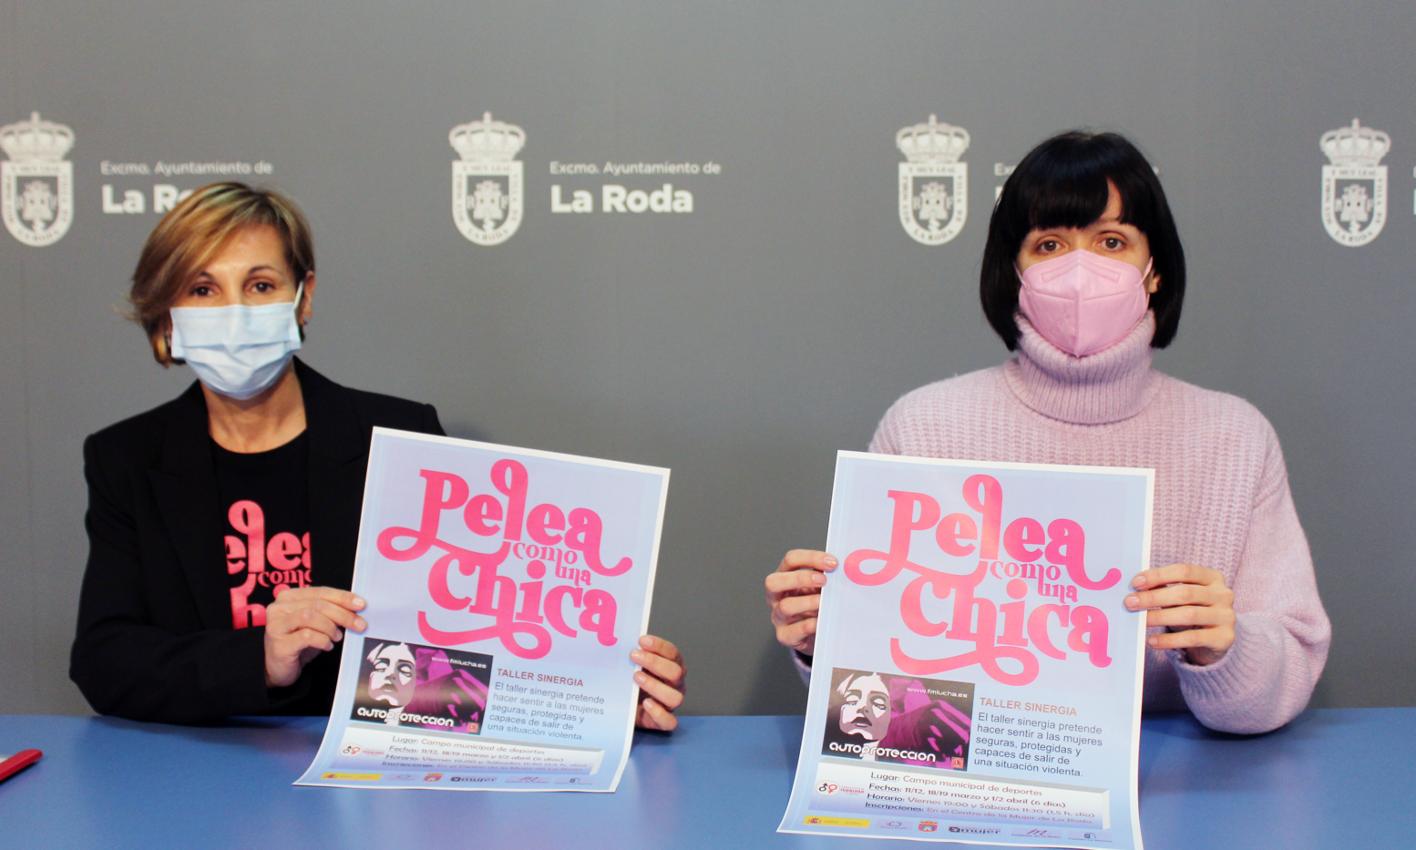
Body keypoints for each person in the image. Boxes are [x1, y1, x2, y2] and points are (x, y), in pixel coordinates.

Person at [766, 132, 1330, 735]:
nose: (1079, 270)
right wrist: (823, 637)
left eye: (1111, 241)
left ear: (1155, 270)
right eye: (1050, 244)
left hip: (1184, 784)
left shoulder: (1235, 438)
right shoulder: (923, 427)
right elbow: (871, 699)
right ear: (1015, 271)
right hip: (969, 771)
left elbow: (1282, 670)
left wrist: (1225, 652)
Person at [70, 182, 686, 730]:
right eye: (202, 289)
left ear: (302, 297)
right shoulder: (126, 458)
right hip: (197, 779)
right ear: (168, 316)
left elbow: (468, 646)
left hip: (372, 776)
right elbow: (105, 661)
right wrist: (258, 657)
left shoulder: (399, 435)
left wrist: (594, 701)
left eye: (260, 285)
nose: (235, 313)